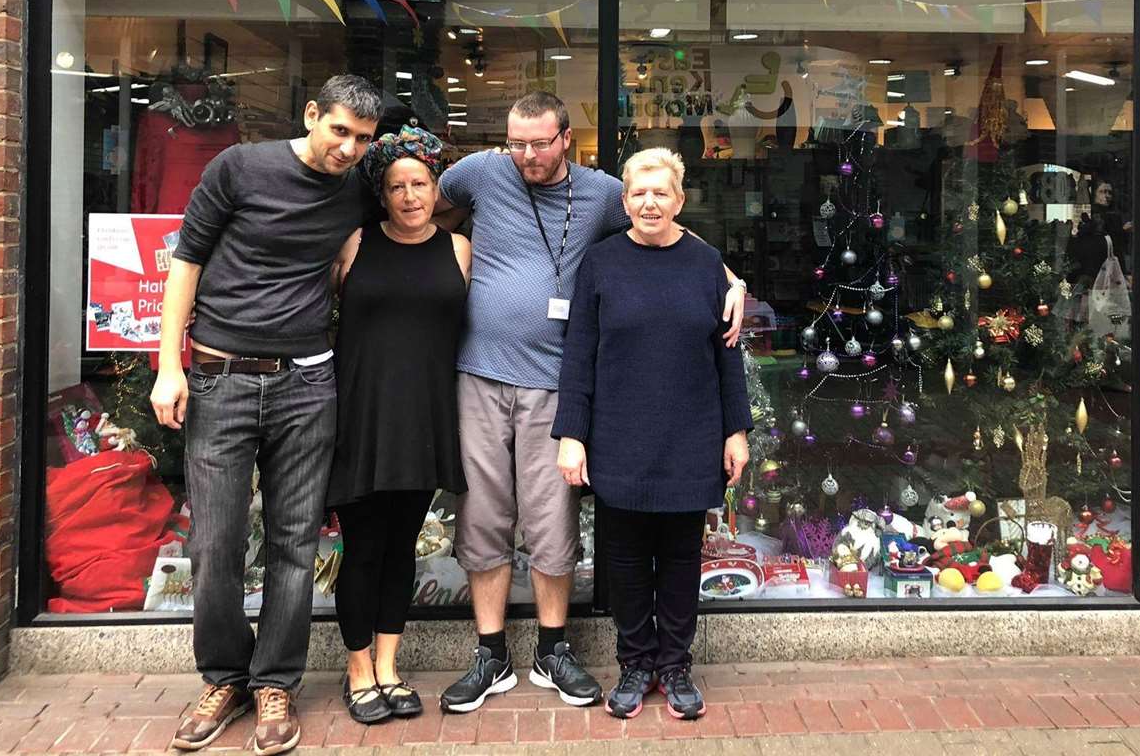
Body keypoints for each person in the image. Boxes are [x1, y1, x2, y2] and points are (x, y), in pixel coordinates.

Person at [431, 91, 747, 714]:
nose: (526, 154)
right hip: (481, 377)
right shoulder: (479, 174)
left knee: (553, 525)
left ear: (566, 138)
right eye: (515, 143)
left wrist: (733, 279)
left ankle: (555, 650)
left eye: (539, 143)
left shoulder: (603, 191)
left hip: (556, 385)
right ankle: (491, 654)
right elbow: (420, 206)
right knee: (483, 517)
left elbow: (670, 235)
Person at [152, 75, 382, 755]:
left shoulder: (359, 185)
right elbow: (186, 262)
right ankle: (224, 678)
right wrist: (170, 366)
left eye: (362, 139)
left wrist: (717, 271)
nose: (349, 148)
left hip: (307, 385)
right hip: (220, 378)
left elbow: (426, 211)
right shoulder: (240, 167)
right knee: (215, 544)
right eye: (339, 130)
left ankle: (275, 680)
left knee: (294, 544)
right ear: (312, 114)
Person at [553, 148, 751, 721]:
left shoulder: (708, 264)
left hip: (691, 433)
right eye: (638, 193)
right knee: (627, 558)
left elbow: (727, 358)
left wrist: (735, 431)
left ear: (680, 201)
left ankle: (675, 665)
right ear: (623, 202)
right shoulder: (601, 263)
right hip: (619, 434)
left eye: (661, 192)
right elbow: (579, 356)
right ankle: (636, 661)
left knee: (683, 558)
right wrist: (573, 434)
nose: (649, 202)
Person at [326, 123, 471, 725]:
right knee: (362, 546)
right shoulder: (356, 243)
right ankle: (358, 671)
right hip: (360, 412)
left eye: (420, 184)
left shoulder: (460, 250)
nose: (410, 196)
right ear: (380, 194)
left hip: (425, 418)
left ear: (437, 188)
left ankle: (389, 664)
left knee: (402, 545)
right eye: (397, 186)